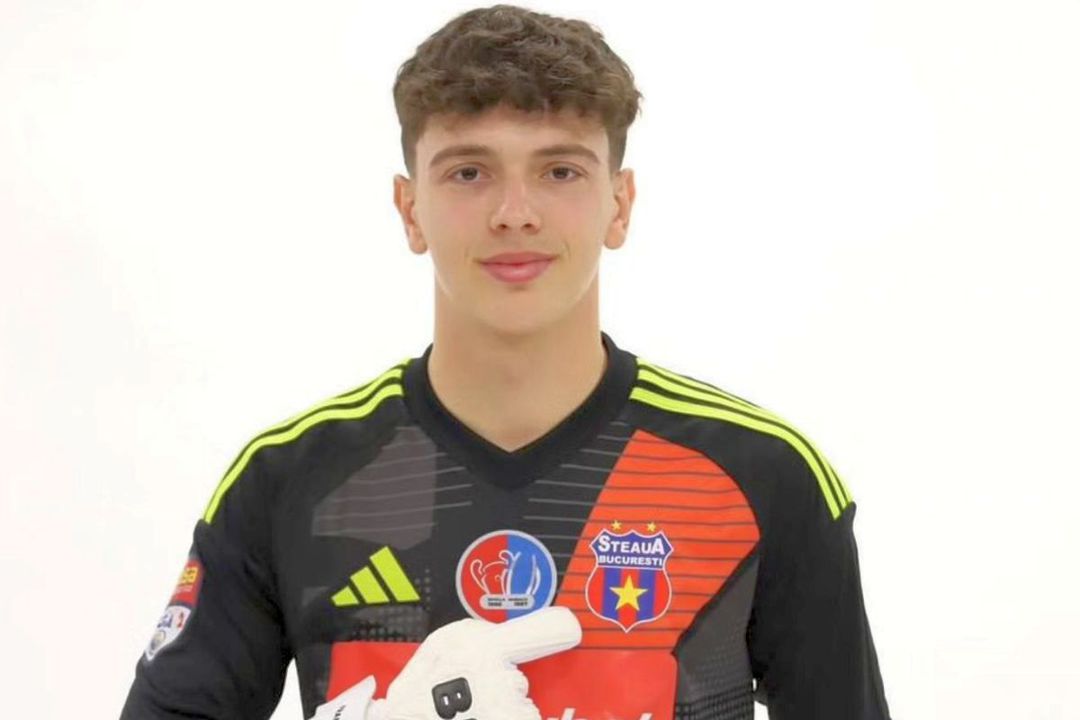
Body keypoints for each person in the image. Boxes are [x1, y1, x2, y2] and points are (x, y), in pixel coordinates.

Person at [119, 4, 891, 719]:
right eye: (469, 171)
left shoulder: (764, 476)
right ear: (409, 209)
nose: (514, 213)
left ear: (619, 205)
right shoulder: (289, 480)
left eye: (560, 171)